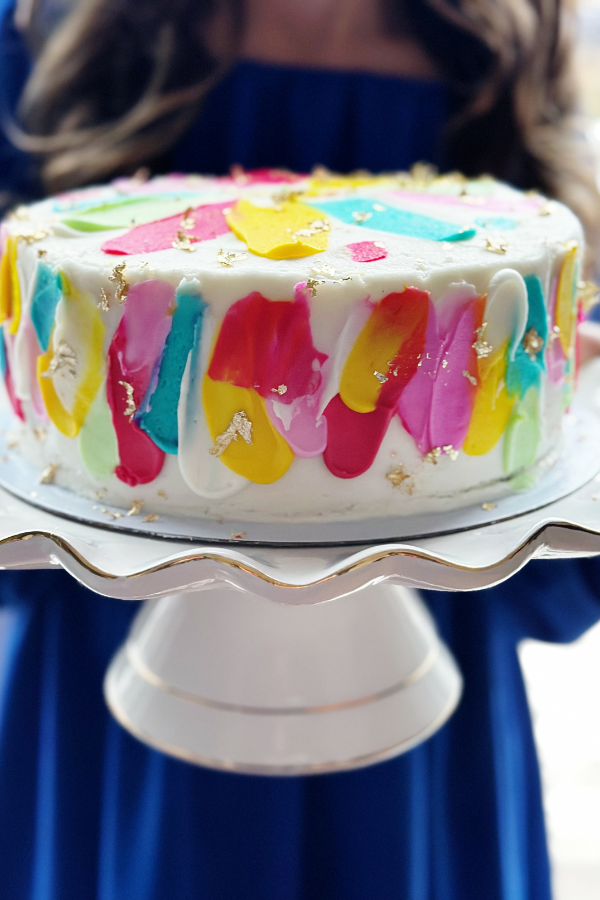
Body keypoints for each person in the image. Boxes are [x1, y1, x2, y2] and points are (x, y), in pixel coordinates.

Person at [1, 1, 600, 898]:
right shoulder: (51, 40)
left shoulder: (494, 72)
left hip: (421, 681)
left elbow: (549, 522)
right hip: (100, 667)